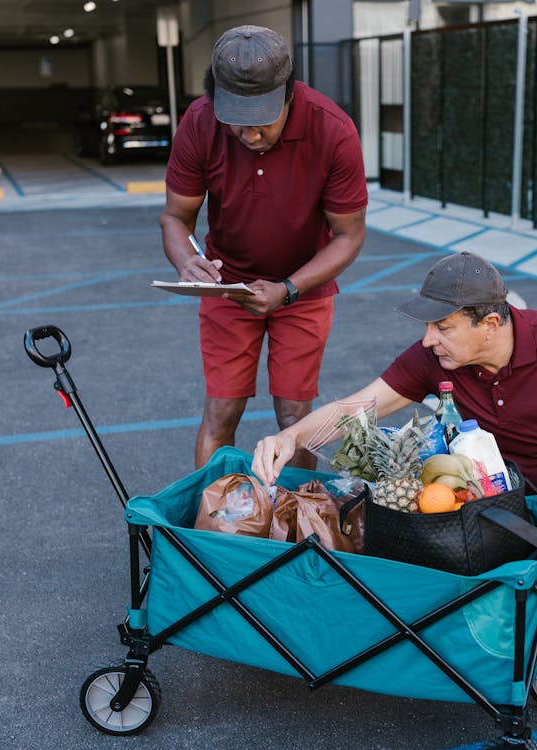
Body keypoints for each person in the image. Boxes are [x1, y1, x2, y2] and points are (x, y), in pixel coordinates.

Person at [252, 252, 537, 632]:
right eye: (427, 328)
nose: (428, 341)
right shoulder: (438, 357)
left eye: (442, 327)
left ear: (491, 323)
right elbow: (358, 405)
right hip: (490, 484)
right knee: (443, 575)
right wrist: (290, 436)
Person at [159, 25, 368, 469]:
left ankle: (295, 523)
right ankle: (208, 522)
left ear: (288, 93)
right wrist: (186, 261)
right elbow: (176, 218)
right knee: (221, 410)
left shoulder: (333, 130)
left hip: (303, 289)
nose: (250, 135)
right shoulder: (199, 122)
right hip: (227, 286)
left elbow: (349, 235)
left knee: (294, 415)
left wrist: (288, 288)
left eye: (262, 121)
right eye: (237, 121)